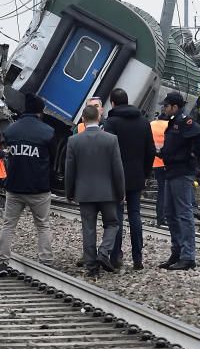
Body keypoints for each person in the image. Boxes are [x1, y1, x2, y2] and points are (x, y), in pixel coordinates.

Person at [0, 96, 56, 276]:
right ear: (40, 111)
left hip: (14, 187)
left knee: (8, 225)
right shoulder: (48, 131)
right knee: (43, 225)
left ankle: (2, 262)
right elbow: (52, 159)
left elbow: (4, 149)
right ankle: (46, 262)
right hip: (39, 188)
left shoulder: (11, 130)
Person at [65, 104, 125, 276]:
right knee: (112, 224)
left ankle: (91, 267)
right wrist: (121, 192)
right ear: (99, 119)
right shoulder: (111, 139)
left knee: (88, 227)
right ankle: (104, 252)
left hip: (85, 193)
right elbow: (117, 169)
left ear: (83, 119)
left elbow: (70, 170)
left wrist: (69, 192)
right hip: (108, 192)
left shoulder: (74, 141)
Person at [104, 88, 156, 271]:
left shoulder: (111, 123)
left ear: (113, 103)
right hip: (136, 175)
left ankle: (116, 256)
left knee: (116, 217)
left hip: (116, 177)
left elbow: (107, 151)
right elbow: (151, 151)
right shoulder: (143, 122)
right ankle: (137, 258)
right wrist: (145, 172)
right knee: (135, 215)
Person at [156, 91, 200, 271]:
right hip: (171, 171)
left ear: (174, 107)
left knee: (184, 214)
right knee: (169, 213)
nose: (163, 108)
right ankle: (177, 252)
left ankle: (188, 256)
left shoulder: (184, 121)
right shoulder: (174, 122)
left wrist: (192, 153)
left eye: (166, 105)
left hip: (181, 172)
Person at [150, 114, 169, 227]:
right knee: (166, 191)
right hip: (167, 162)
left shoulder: (151, 124)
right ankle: (164, 217)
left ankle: (160, 218)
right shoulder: (169, 125)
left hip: (155, 162)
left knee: (161, 191)